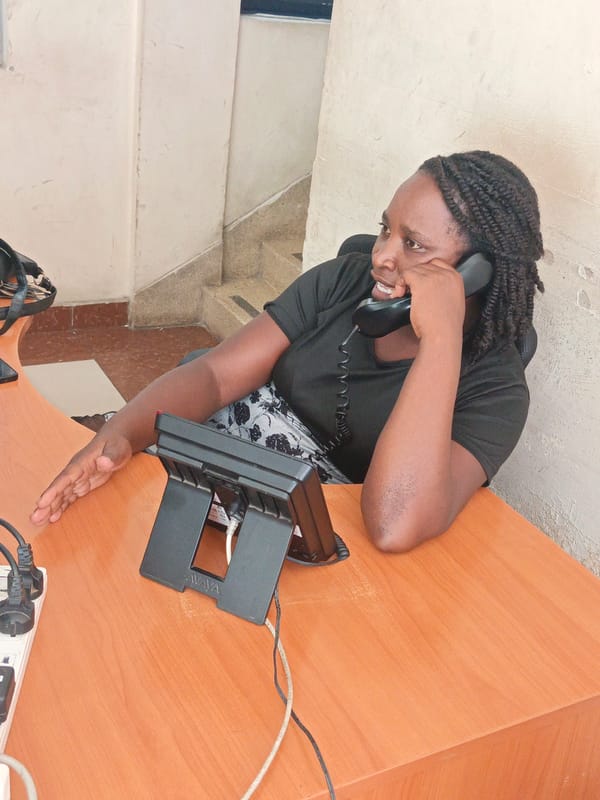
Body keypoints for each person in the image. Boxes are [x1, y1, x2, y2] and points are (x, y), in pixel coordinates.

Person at [30, 150, 544, 553]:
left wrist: (441, 339)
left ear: (476, 271)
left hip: (304, 542)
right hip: (211, 477)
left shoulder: (495, 390)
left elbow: (393, 524)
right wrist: (119, 436)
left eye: (414, 245)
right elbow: (214, 376)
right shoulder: (342, 282)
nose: (382, 256)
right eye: (387, 228)